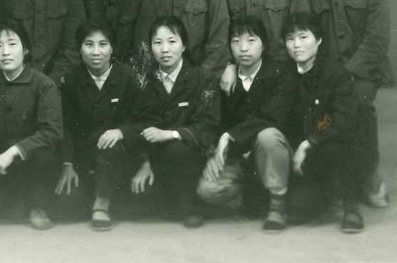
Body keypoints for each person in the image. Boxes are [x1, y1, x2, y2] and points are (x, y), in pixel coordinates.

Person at [304, 0, 392, 208]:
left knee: (358, 103)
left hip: (363, 72)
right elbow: (306, 41)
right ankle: (331, 178)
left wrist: (347, 74)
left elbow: (376, 41)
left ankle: (367, 174)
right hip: (324, 75)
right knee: (319, 110)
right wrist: (328, 77)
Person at [197, 16, 294, 231]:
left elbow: (272, 117)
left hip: (272, 153)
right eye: (236, 41)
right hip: (238, 158)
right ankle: (255, 197)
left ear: (264, 44)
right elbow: (212, 119)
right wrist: (213, 152)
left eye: (251, 41)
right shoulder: (224, 79)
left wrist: (229, 136)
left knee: (268, 135)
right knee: (207, 190)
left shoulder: (281, 74)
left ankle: (277, 206)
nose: (243, 48)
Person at [128, 16, 219, 228]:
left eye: (172, 41)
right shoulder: (143, 81)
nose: (165, 49)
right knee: (139, 198)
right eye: (157, 43)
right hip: (155, 157)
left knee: (178, 150)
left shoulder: (203, 79)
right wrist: (145, 162)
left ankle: (190, 205)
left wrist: (171, 134)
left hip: (192, 154)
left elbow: (207, 126)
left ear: (184, 45)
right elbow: (139, 123)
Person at [281, 13, 363, 233]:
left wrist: (310, 142)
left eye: (303, 37)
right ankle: (322, 194)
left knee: (339, 146)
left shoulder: (335, 73)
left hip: (329, 144)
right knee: (298, 210)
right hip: (302, 155)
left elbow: (343, 119)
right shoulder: (285, 74)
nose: (296, 45)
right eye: (290, 39)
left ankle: (351, 207)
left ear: (318, 39)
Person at [0, 19, 63, 230]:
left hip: (30, 161)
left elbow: (51, 132)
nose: (5, 52)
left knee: (45, 155)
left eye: (12, 44)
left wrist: (14, 151)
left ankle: (38, 207)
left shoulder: (44, 84)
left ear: (25, 50)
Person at [56, 21, 138, 231]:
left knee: (112, 148)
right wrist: (67, 164)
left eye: (103, 44)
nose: (96, 52)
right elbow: (65, 126)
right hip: (84, 157)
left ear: (112, 48)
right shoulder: (71, 80)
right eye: (88, 44)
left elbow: (142, 119)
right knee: (65, 206)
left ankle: (102, 204)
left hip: (118, 155)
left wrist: (120, 131)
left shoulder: (128, 76)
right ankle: (98, 198)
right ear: (80, 49)